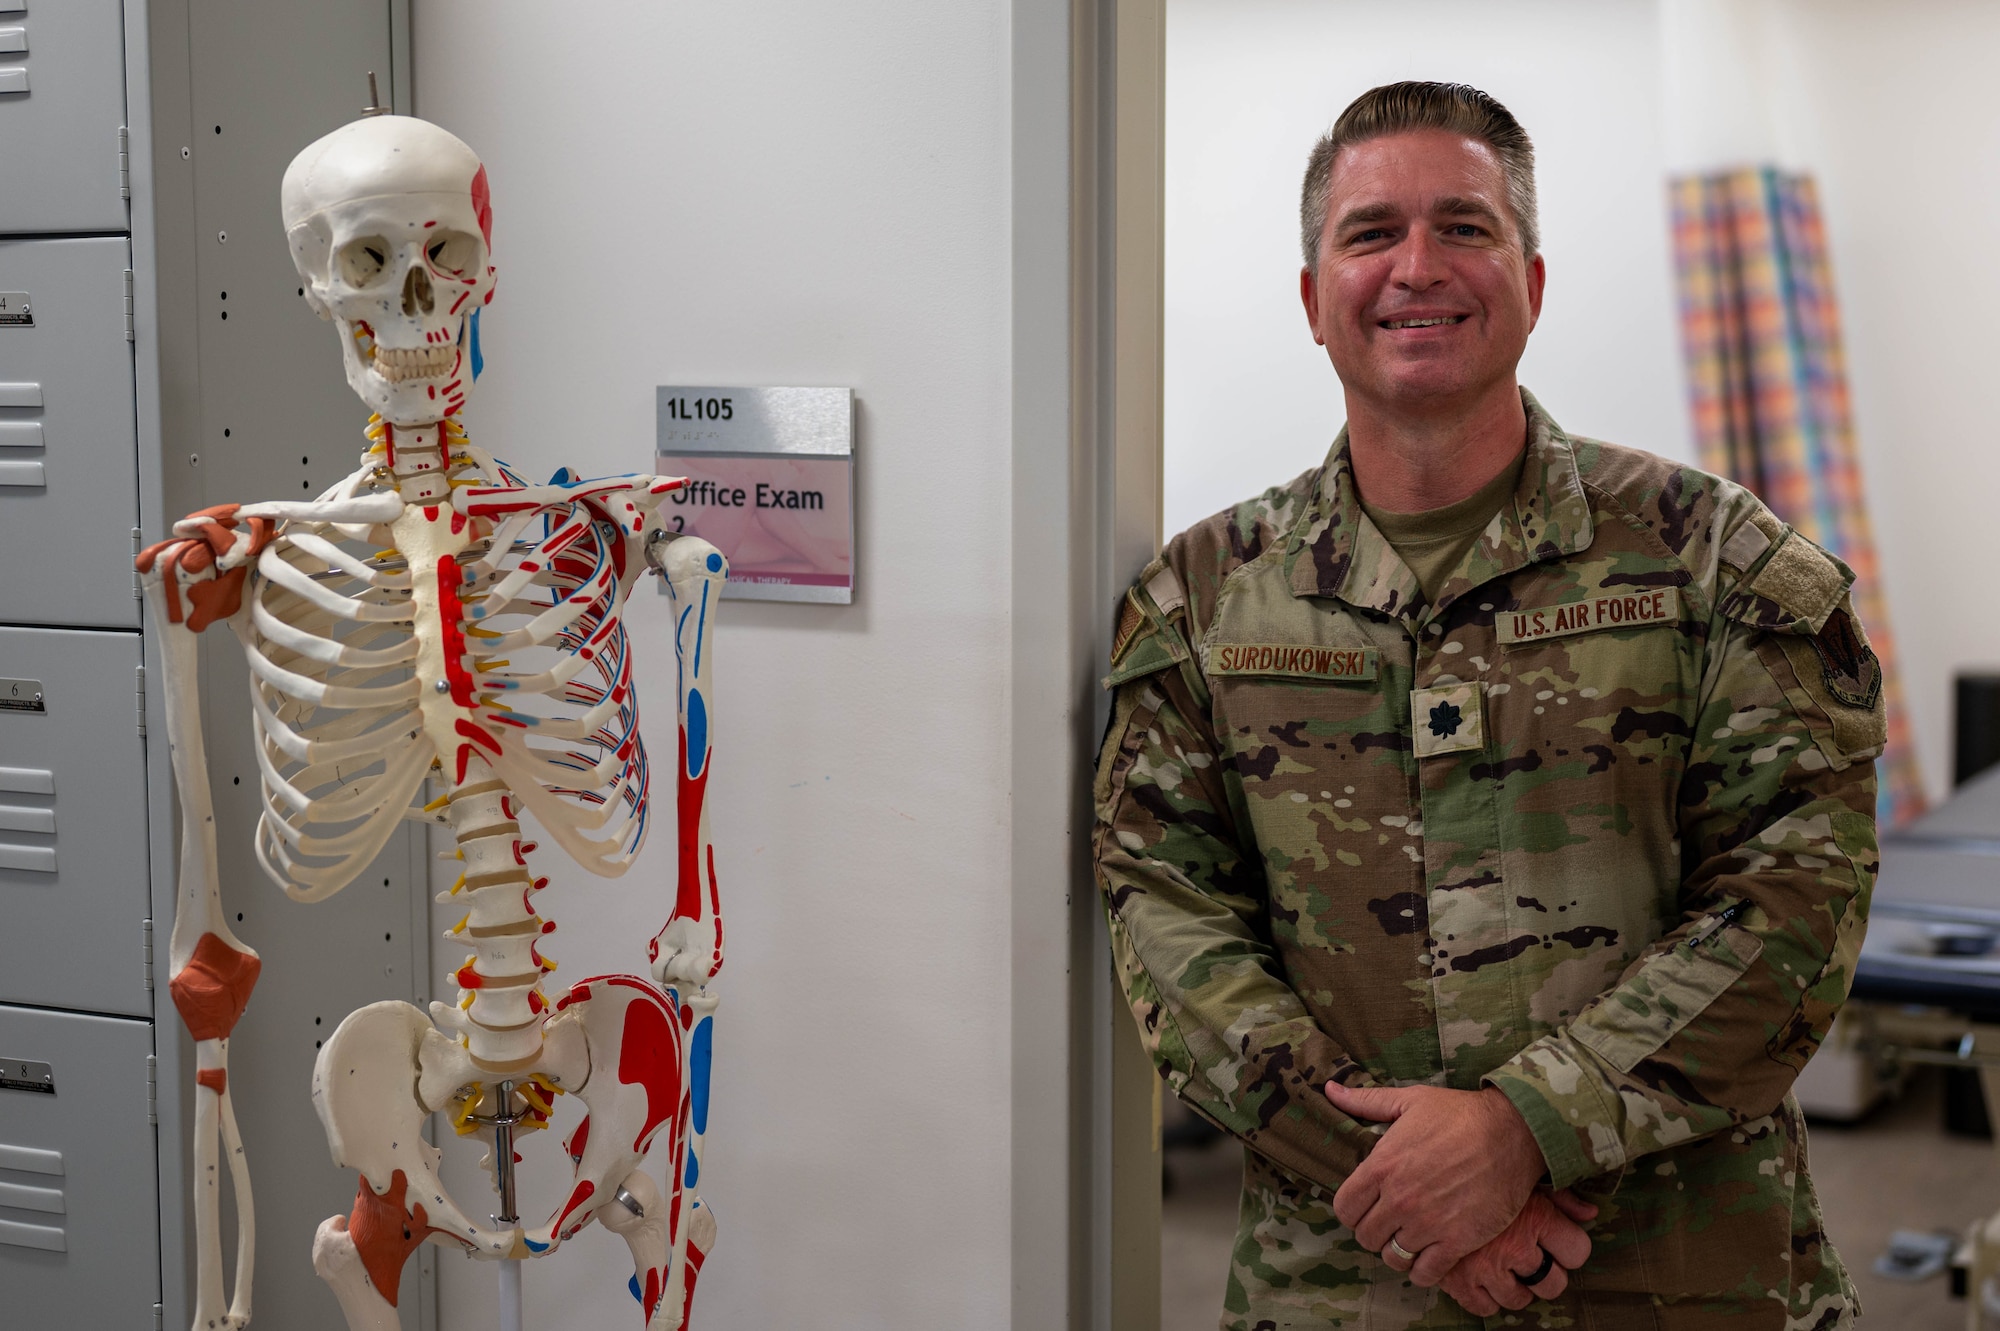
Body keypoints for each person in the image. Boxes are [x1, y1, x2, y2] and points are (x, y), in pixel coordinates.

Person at [1093, 81, 1882, 1329]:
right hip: (1341, 1279)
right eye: (1369, 233)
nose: (1416, 266)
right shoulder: (1202, 598)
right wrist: (1404, 1183)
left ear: (1531, 280)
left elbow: (1794, 899)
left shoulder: (1711, 559)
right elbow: (1165, 910)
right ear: (1312, 299)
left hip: (1676, 1274)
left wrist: (1524, 1128)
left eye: (1462, 226)